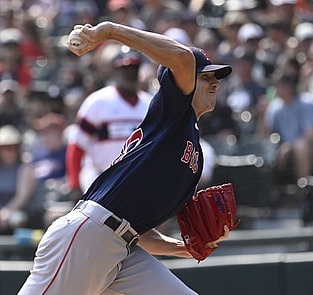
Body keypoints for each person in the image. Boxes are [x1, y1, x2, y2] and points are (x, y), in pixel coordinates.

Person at [19, 21, 232, 295]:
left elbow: (142, 232)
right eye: (205, 76)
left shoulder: (194, 154)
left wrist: (187, 249)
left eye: (216, 78)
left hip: (123, 249)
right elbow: (181, 58)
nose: (214, 83)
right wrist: (108, 31)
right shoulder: (172, 113)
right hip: (89, 236)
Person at [66, 47, 152, 196]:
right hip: (100, 178)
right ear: (115, 71)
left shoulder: (150, 104)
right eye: (125, 69)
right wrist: (74, 183)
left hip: (139, 181)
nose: (129, 74)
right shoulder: (98, 101)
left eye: (133, 69)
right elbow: (77, 145)